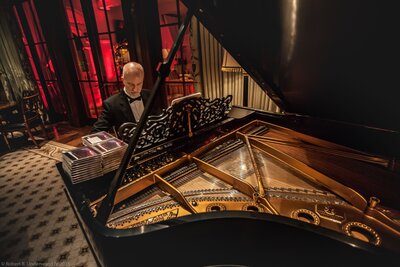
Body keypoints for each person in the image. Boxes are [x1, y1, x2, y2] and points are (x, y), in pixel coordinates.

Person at [92, 62, 159, 133]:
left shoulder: (150, 95)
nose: (135, 89)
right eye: (130, 84)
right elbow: (96, 132)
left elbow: (158, 120)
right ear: (123, 80)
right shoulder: (111, 104)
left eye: (139, 84)